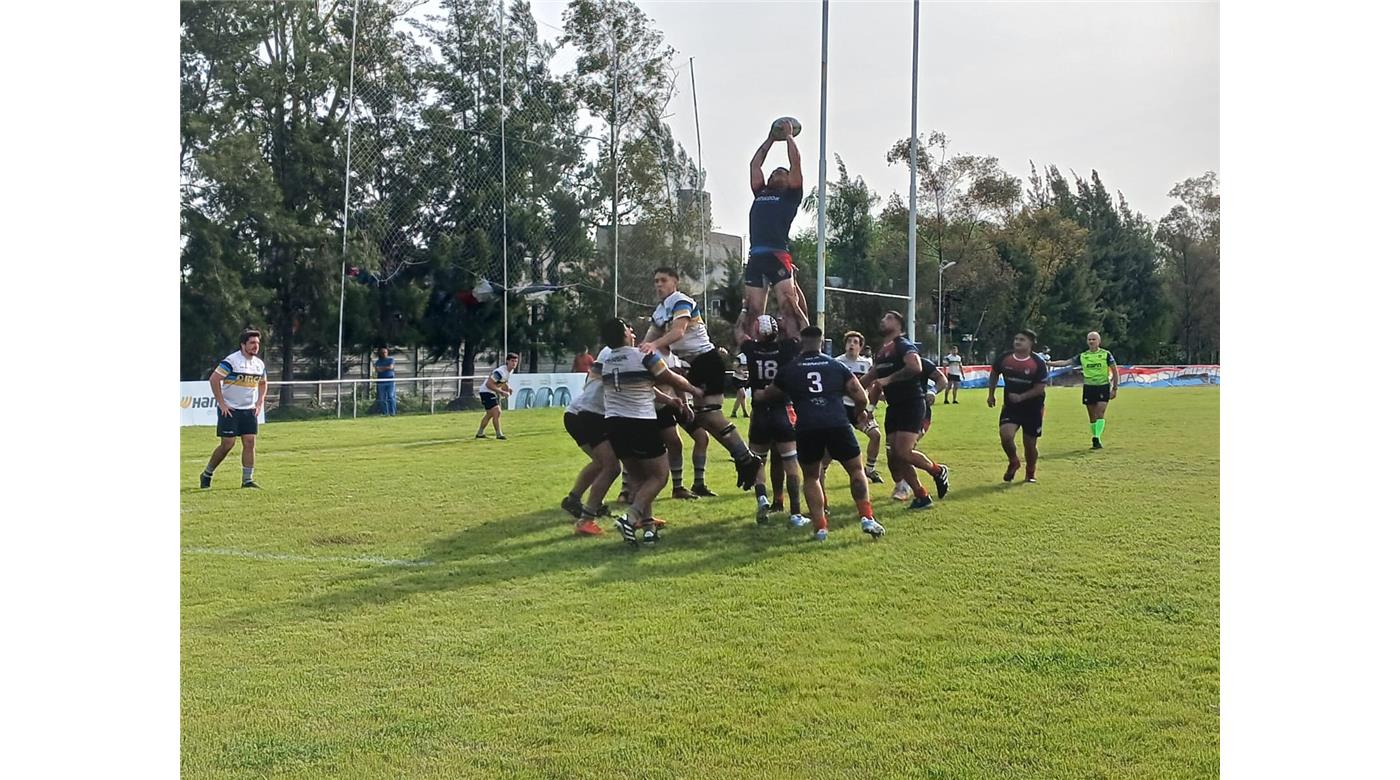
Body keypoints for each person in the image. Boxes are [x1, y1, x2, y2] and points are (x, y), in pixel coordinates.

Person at [757, 325, 884, 542]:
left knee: (811, 476)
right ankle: (867, 517)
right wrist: (858, 412)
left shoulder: (791, 368)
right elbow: (861, 396)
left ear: (801, 342)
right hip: (838, 423)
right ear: (821, 341)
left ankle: (821, 528)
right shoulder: (836, 365)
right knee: (856, 470)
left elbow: (769, 394)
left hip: (807, 426)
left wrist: (759, 391)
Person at [642, 267, 764, 490]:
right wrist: (635, 351)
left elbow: (678, 332)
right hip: (694, 365)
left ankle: (746, 458)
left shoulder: (681, 301)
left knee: (711, 415)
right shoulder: (660, 310)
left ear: (675, 282)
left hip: (707, 360)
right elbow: (648, 338)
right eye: (655, 281)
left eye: (663, 280)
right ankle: (744, 459)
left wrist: (652, 346)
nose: (658, 285)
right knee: (705, 420)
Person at [595, 318, 705, 545]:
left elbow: (644, 386)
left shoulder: (606, 359)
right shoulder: (642, 354)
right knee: (659, 475)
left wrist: (670, 400)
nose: (632, 330)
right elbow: (669, 377)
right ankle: (631, 517)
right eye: (628, 328)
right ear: (624, 334)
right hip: (640, 421)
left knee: (638, 477)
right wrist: (694, 389)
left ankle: (647, 528)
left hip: (614, 423)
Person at [863, 311, 950, 511]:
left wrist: (890, 380)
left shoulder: (903, 345)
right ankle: (921, 495)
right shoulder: (881, 352)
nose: (883, 320)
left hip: (912, 403)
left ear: (899, 325)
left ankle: (937, 471)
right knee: (895, 456)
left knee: (903, 452)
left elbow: (916, 367)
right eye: (883, 317)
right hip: (894, 407)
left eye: (889, 318)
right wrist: (861, 402)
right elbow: (871, 382)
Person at [736, 120, 809, 344]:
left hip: (778, 255)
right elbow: (754, 166)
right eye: (775, 171)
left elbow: (795, 163)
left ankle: (798, 350)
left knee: (789, 305)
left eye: (782, 172)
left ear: (788, 181)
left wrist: (788, 137)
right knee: (752, 310)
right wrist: (770, 139)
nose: (778, 172)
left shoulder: (791, 196)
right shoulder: (760, 191)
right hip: (756, 256)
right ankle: (748, 357)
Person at [740, 315, 805, 527]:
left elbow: (737, 332)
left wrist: (744, 311)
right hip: (783, 409)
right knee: (790, 462)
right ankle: (795, 512)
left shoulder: (750, 348)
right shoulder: (787, 348)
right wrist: (792, 312)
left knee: (758, 461)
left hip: (759, 412)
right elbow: (802, 331)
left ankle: (762, 499)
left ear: (757, 332)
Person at [199, 328, 268, 489]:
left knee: (250, 442)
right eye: (252, 343)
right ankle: (207, 473)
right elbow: (214, 379)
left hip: (248, 409)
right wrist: (222, 403)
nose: (255, 346)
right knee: (227, 444)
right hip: (230, 410)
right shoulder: (231, 361)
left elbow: (263, 383)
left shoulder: (259, 364)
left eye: (257, 343)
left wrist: (259, 402)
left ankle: (247, 480)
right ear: (243, 344)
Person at [562, 347, 615, 536]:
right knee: (609, 464)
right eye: (628, 329)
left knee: (601, 463)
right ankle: (588, 510)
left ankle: (574, 499)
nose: (632, 333)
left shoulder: (609, 354)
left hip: (576, 413)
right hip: (583, 415)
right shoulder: (613, 352)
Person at [988, 329, 1050, 483]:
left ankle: (1030, 471)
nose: (1017, 342)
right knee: (1006, 436)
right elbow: (994, 372)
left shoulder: (1037, 363)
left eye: (1022, 339)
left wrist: (1021, 397)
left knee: (1030, 445)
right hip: (1011, 407)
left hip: (1033, 408)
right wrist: (991, 394)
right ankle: (1014, 461)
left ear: (1030, 343)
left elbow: (1039, 388)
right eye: (1016, 339)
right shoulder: (1005, 358)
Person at [1050, 330, 1119, 449]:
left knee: (1100, 412)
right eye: (1089, 339)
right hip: (1089, 387)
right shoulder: (1083, 356)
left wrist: (1115, 388)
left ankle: (1097, 437)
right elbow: (1066, 362)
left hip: (1103, 386)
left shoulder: (1106, 354)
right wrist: (1048, 363)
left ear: (1099, 341)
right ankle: (1095, 436)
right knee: (1092, 416)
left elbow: (1115, 371)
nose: (1091, 341)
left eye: (1094, 339)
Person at [832, 330, 884, 484]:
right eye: (849, 342)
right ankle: (822, 471)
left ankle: (870, 469)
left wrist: (873, 403)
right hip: (841, 408)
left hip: (860, 409)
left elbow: (872, 385)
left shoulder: (866, 363)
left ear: (861, 347)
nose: (851, 345)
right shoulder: (837, 362)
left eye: (855, 342)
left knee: (876, 435)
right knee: (831, 442)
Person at [476, 353, 518, 440]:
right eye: (512, 361)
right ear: (507, 361)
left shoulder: (510, 371)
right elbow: (488, 384)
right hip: (486, 391)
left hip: (490, 392)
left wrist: (508, 388)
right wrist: (501, 392)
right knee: (497, 411)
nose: (514, 363)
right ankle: (499, 434)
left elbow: (502, 381)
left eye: (516, 361)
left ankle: (480, 433)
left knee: (490, 414)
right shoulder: (500, 372)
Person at [373, 347, 397, 416]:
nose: (384, 354)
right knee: (382, 398)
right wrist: (386, 368)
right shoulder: (378, 361)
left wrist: (382, 368)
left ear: (387, 353)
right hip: (381, 381)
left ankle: (392, 412)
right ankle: (385, 412)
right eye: (382, 352)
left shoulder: (391, 360)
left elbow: (391, 367)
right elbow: (377, 370)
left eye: (385, 352)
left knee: (390, 396)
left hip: (390, 381)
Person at [730, 351, 751, 418]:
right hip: (737, 379)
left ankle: (739, 412)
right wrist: (742, 373)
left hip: (745, 380)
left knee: (741, 397)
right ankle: (739, 412)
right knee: (743, 394)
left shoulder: (751, 356)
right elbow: (734, 367)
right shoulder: (739, 357)